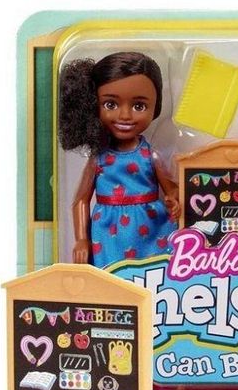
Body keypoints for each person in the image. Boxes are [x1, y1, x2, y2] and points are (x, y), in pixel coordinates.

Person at [58, 51, 180, 266]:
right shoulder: (98, 157)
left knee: (154, 271)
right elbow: (81, 200)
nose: (125, 115)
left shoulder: (151, 155)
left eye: (139, 106)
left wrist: (175, 200)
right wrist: (81, 239)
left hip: (151, 227)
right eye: (110, 105)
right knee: (110, 273)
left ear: (156, 107)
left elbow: (172, 189)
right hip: (108, 231)